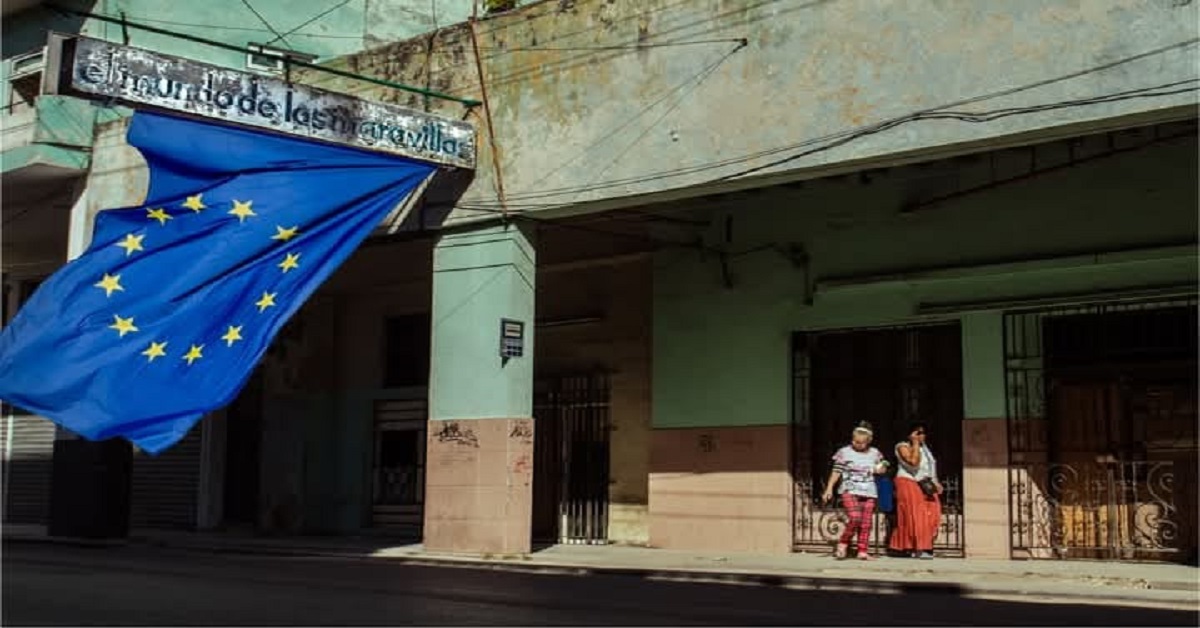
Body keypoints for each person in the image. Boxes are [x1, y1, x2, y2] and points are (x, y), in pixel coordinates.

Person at [821, 421, 889, 560]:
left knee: (866, 523)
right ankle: (843, 542)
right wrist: (829, 488)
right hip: (849, 490)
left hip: (869, 491)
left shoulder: (875, 453)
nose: (856, 444)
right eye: (854, 441)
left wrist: (881, 469)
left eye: (860, 442)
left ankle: (862, 551)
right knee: (855, 517)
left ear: (868, 441)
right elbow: (836, 471)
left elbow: (882, 468)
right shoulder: (844, 452)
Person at [889, 422, 943, 559]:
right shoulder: (902, 446)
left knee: (933, 513)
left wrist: (935, 482)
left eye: (923, 433)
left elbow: (929, 466)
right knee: (916, 516)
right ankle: (917, 548)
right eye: (918, 433)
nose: (921, 436)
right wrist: (915, 443)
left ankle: (922, 544)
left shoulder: (925, 448)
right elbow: (913, 462)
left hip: (925, 483)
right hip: (908, 481)